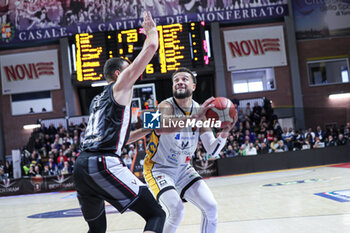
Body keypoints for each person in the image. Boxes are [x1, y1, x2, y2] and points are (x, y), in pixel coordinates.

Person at [73, 12, 165, 233]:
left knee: (97, 231)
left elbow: (120, 140)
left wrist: (147, 129)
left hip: (81, 166)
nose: (134, 70)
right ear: (117, 74)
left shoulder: (98, 100)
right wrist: (151, 31)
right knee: (156, 214)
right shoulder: (120, 86)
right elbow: (151, 48)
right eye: (129, 67)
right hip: (102, 164)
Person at [143, 67, 237, 233]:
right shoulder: (165, 105)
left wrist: (224, 132)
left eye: (184, 79)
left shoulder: (199, 110)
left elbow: (212, 150)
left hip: (183, 169)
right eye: (176, 80)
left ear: (193, 86)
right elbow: (164, 124)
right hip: (159, 168)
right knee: (176, 211)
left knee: (211, 207)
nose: (179, 82)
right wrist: (194, 118)